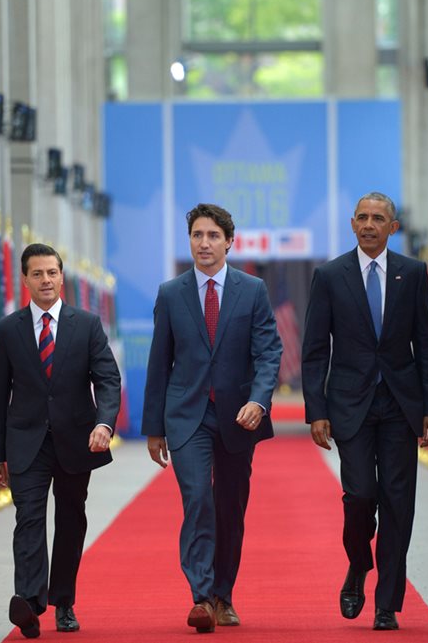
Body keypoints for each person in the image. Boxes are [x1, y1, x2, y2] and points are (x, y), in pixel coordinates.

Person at [301, 192, 428, 632]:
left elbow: (427, 344)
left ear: (392, 227)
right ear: (352, 223)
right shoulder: (329, 276)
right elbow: (313, 350)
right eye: (362, 217)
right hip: (350, 405)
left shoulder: (413, 274)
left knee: (399, 504)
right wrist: (315, 409)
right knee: (360, 495)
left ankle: (387, 603)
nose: (368, 224)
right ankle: (359, 564)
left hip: (401, 405)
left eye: (378, 218)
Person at [143, 203, 283, 633]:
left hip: (239, 417)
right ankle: (201, 597)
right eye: (197, 235)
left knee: (229, 506)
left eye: (212, 236)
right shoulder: (171, 293)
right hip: (187, 416)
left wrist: (259, 402)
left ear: (228, 242)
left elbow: (269, 352)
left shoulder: (252, 290)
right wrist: (154, 428)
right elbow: (159, 361)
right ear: (190, 241)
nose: (204, 243)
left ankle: (224, 594)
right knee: (198, 498)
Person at [0, 243, 121, 638]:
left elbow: (108, 380)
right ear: (25, 279)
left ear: (62, 277)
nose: (46, 280)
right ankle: (29, 604)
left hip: (76, 440)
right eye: (37, 274)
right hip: (25, 442)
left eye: (52, 273)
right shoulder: (8, 329)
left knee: (70, 519)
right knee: (28, 518)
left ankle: (63, 602)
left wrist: (105, 424)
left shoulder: (87, 325)